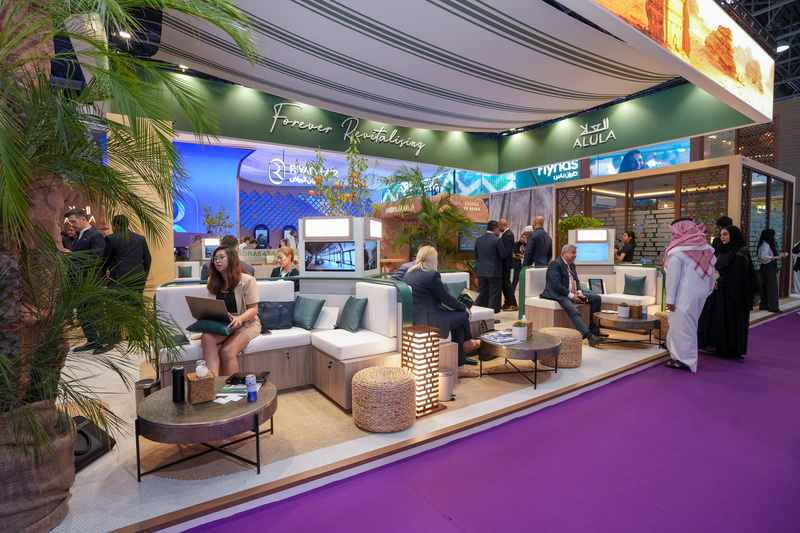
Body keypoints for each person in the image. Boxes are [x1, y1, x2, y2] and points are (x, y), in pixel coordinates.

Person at [402, 246, 479, 378]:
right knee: (463, 315)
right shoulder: (431, 275)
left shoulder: (409, 273)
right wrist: (464, 307)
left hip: (417, 318)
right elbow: (446, 298)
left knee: (459, 329)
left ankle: (460, 368)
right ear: (433, 259)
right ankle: (468, 342)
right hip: (431, 320)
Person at [662, 218, 716, 372]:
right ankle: (679, 357)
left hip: (683, 295)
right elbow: (712, 275)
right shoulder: (706, 248)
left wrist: (670, 298)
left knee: (682, 327)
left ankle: (685, 361)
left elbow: (673, 278)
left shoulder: (677, 251)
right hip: (700, 293)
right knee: (689, 325)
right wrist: (707, 291)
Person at [697, 226, 757, 359]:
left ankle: (732, 350)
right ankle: (721, 348)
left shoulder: (741, 251)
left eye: (725, 234)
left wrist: (719, 282)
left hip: (735, 295)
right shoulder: (724, 250)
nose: (722, 237)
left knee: (732, 319)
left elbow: (738, 274)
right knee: (722, 319)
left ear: (733, 235)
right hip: (722, 292)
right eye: (721, 234)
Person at [201, 245, 261, 377]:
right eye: (215, 258)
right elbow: (212, 306)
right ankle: (212, 382)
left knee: (227, 352)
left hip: (246, 322)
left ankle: (230, 387)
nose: (217, 261)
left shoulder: (247, 280)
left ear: (232, 259)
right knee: (206, 336)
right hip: (224, 323)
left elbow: (253, 309)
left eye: (221, 257)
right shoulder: (212, 280)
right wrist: (203, 317)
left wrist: (239, 319)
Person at [540, 244, 605, 347]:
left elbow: (576, 281)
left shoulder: (572, 265)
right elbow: (557, 286)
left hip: (571, 293)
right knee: (574, 311)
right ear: (564, 253)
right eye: (573, 253)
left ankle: (593, 329)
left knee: (597, 299)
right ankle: (590, 337)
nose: (575, 255)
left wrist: (579, 292)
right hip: (558, 294)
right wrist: (572, 296)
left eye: (576, 253)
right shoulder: (555, 264)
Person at [66, 208, 107, 353]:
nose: (71, 225)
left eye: (73, 221)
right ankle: (92, 340)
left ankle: (106, 341)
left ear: (83, 219)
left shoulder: (95, 236)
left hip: (92, 281)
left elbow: (97, 258)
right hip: (80, 281)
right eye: (70, 222)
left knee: (95, 311)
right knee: (82, 312)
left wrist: (73, 256)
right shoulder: (79, 237)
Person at [474, 220, 506, 313]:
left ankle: (479, 311)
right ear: (495, 229)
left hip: (481, 270)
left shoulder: (478, 240)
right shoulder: (497, 240)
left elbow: (475, 255)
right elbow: (503, 255)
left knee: (481, 292)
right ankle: (491, 312)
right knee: (493, 293)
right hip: (494, 271)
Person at [756, 228, 787, 313]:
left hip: (766, 267)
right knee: (772, 287)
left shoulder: (765, 244)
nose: (775, 236)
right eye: (774, 234)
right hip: (768, 267)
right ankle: (773, 307)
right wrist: (778, 257)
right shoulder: (765, 245)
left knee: (766, 287)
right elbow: (764, 257)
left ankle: (764, 305)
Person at [498, 219, 517, 311]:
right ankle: (508, 303)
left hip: (506, 264)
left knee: (507, 284)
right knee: (504, 284)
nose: (498, 228)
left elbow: (507, 251)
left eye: (499, 226)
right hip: (505, 263)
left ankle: (513, 304)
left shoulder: (507, 235)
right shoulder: (506, 234)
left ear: (502, 225)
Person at [511, 228, 529, 299]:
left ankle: (524, 295)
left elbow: (527, 255)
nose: (522, 239)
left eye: (524, 238)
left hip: (524, 265)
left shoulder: (528, 245)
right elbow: (515, 253)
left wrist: (522, 256)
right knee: (515, 281)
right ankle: (511, 295)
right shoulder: (516, 244)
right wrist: (521, 256)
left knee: (525, 281)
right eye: (522, 237)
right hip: (517, 265)